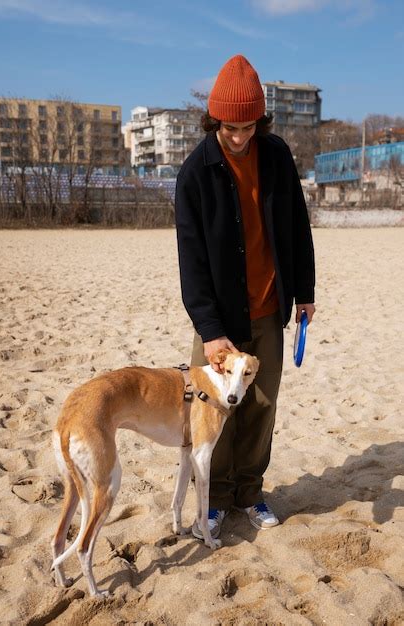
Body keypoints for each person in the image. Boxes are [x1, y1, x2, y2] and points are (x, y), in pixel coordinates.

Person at [175, 54, 315, 540]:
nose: (239, 137)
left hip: (270, 308)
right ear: (214, 120)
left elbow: (297, 228)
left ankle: (250, 492)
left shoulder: (276, 154)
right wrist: (211, 332)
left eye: (248, 126)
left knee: (261, 403)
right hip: (219, 320)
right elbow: (190, 264)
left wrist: (304, 294)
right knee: (213, 411)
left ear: (261, 120)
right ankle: (212, 500)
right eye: (230, 127)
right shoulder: (194, 174)